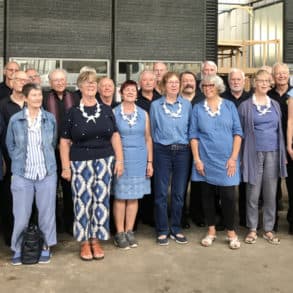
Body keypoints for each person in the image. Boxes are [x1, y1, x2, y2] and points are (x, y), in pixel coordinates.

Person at [59, 71, 123, 261]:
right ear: (79, 87)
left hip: (104, 161)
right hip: (79, 163)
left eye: (94, 82)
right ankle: (84, 242)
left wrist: (119, 160)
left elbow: (115, 136)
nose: (91, 85)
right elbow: (64, 142)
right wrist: (65, 167)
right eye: (87, 83)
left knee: (101, 202)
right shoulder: (72, 112)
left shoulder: (106, 110)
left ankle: (96, 240)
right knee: (82, 202)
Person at [6, 83, 57, 265]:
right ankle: (18, 248)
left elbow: (52, 142)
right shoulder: (15, 120)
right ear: (26, 98)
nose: (38, 98)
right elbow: (10, 145)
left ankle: (46, 247)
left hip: (46, 173)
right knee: (21, 215)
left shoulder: (49, 119)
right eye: (34, 95)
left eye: (39, 95)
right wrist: (19, 162)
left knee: (46, 214)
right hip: (22, 174)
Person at [189, 74, 242, 250]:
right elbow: (193, 135)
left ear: (218, 86)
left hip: (227, 161)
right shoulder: (197, 108)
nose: (207, 88)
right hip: (205, 160)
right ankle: (211, 231)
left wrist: (233, 158)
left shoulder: (229, 106)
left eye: (210, 85)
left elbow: (237, 133)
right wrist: (197, 159)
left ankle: (231, 232)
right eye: (204, 86)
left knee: (228, 197)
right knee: (208, 197)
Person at [238, 69, 287, 245]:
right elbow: (239, 133)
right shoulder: (245, 106)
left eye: (267, 80)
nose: (265, 83)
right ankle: (252, 229)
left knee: (270, 193)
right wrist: (240, 156)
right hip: (252, 153)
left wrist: (282, 154)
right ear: (254, 83)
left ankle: (268, 229)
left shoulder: (275, 104)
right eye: (261, 80)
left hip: (273, 152)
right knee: (253, 192)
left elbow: (279, 130)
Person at [150, 71, 191, 245]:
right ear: (164, 85)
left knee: (179, 192)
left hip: (182, 151)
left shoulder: (187, 105)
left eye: (176, 82)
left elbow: (190, 128)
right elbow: (152, 131)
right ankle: (162, 230)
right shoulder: (155, 106)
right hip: (162, 151)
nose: (174, 85)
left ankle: (175, 228)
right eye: (170, 82)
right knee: (160, 192)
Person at [112, 80, 153, 249]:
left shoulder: (143, 114)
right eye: (126, 90)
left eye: (133, 90)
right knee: (121, 196)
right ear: (121, 93)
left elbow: (148, 138)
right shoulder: (113, 112)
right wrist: (118, 160)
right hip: (121, 158)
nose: (130, 92)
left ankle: (130, 231)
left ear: (137, 94)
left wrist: (150, 162)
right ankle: (119, 233)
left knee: (134, 196)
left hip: (139, 158)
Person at [43, 68, 79, 235]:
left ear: (66, 81)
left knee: (70, 189)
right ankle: (54, 226)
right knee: (50, 190)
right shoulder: (44, 98)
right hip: (49, 152)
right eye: (56, 80)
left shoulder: (74, 97)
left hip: (71, 152)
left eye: (62, 79)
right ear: (50, 83)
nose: (59, 82)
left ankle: (71, 223)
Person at [0, 70, 30, 246]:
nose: (21, 82)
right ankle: (11, 238)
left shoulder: (33, 103)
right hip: (9, 160)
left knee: (30, 201)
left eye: (25, 80)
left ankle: (29, 237)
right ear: (11, 81)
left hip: (32, 161)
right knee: (9, 199)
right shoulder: (3, 105)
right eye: (18, 79)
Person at [221, 68, 250, 227]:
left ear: (244, 81)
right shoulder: (222, 99)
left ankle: (245, 219)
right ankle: (225, 219)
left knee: (245, 184)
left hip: (247, 146)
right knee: (225, 185)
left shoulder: (251, 98)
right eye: (233, 79)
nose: (236, 82)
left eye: (239, 79)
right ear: (228, 81)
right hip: (226, 146)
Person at [268, 62, 293, 234]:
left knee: (292, 185)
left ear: (289, 75)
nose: (282, 76)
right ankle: (272, 222)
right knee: (272, 187)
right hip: (273, 144)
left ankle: (291, 221)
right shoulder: (267, 95)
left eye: (284, 73)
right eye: (278, 73)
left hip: (291, 145)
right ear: (274, 76)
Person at [179, 71, 205, 229]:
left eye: (191, 80)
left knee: (198, 184)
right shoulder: (176, 100)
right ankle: (181, 216)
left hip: (201, 149)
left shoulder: (202, 99)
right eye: (185, 80)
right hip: (181, 149)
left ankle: (197, 214)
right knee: (181, 184)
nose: (188, 83)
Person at [136, 70, 161, 227]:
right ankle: (137, 215)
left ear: (155, 82)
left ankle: (151, 215)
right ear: (140, 82)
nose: (148, 82)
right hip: (140, 145)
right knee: (140, 179)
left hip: (158, 145)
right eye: (145, 80)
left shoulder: (161, 99)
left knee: (155, 182)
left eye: (151, 80)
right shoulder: (135, 99)